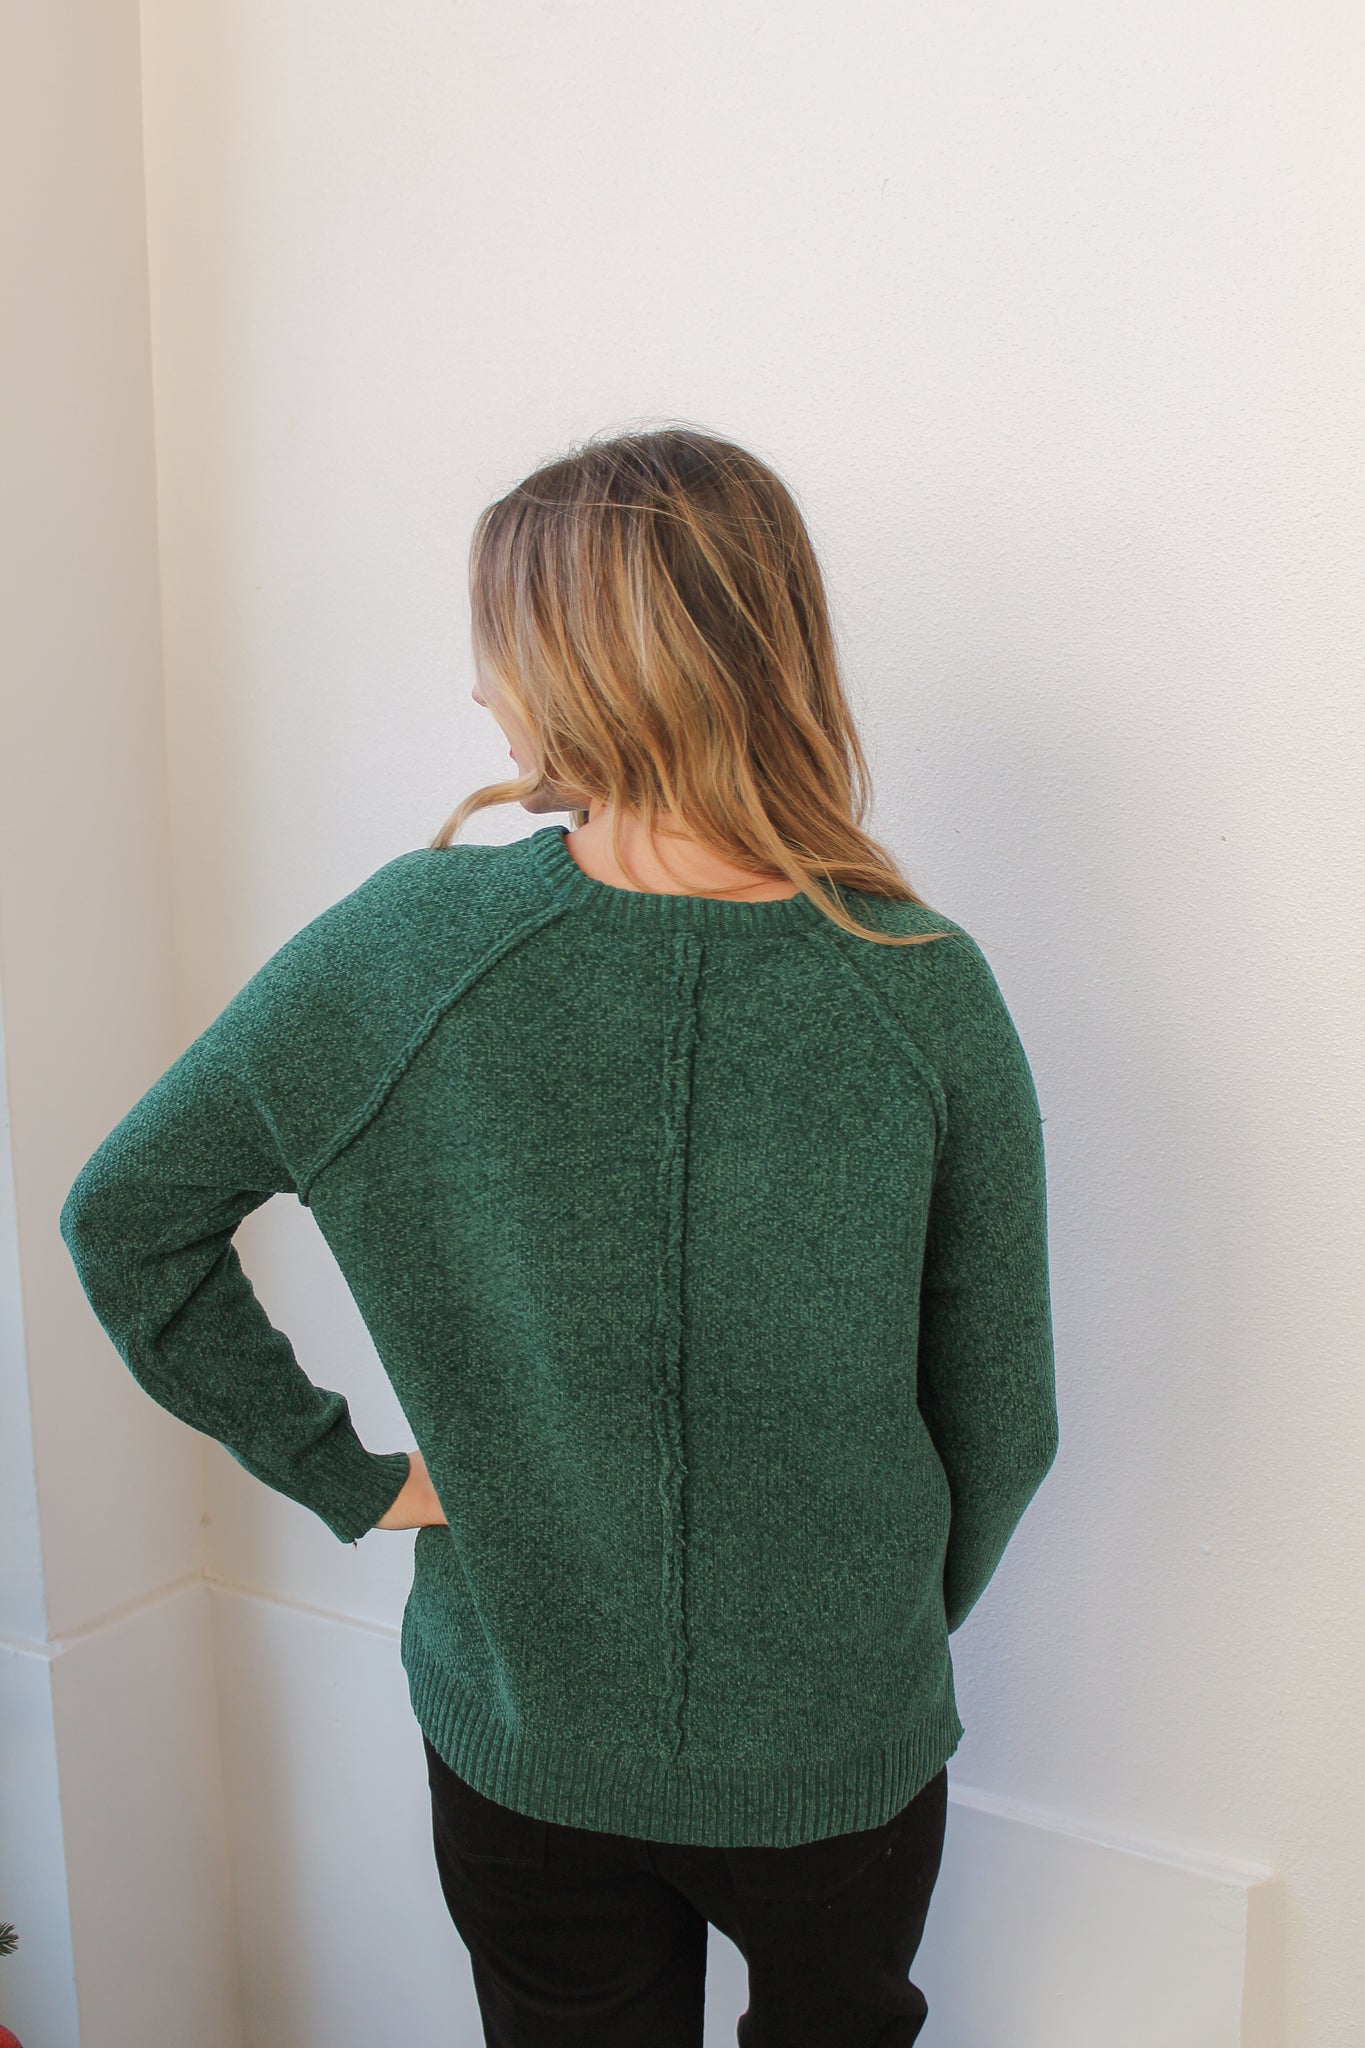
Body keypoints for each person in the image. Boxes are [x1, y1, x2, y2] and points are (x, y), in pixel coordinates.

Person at [59, 425, 1060, 2046]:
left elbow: (127, 1222)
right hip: (836, 1750)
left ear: (584, 665)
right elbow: (1006, 1419)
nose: (478, 690)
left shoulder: (410, 948)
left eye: (498, 644)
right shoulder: (918, 984)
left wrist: (353, 1476)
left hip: (526, 1726)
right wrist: (857, 1649)